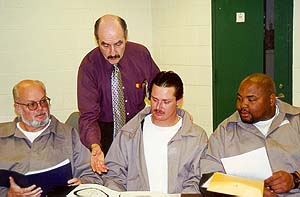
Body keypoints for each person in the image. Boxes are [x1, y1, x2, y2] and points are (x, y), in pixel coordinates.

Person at [77, 14, 160, 174]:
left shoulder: (141, 54)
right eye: (105, 45)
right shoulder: (89, 66)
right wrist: (95, 146)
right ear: (97, 40)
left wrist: (177, 112)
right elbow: (88, 116)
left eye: (118, 44)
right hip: (106, 135)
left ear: (126, 36)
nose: (113, 52)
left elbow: (160, 89)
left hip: (139, 129)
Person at [102, 71, 208, 194]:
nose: (158, 107)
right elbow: (113, 176)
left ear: (179, 101)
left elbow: (197, 180)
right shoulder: (129, 133)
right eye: (155, 99)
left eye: (166, 102)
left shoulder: (196, 137)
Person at [201, 73, 300, 196]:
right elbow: (207, 181)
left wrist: (295, 180)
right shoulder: (225, 132)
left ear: (271, 100)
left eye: (251, 99)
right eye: (239, 99)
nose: (242, 105)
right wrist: (250, 191)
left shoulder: (296, 121)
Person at [0, 80, 101, 196]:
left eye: (43, 101)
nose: (40, 108)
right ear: (17, 108)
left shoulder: (68, 135)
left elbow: (93, 175)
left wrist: (83, 183)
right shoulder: (2, 137)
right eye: (32, 104)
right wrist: (8, 194)